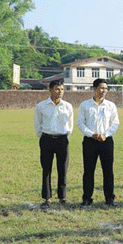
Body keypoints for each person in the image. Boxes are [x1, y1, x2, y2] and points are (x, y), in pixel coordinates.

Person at [77, 78, 120, 207]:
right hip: (90, 141)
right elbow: (80, 123)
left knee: (108, 171)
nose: (103, 91)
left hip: (106, 141)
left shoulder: (110, 105)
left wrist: (105, 135)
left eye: (106, 89)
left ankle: (109, 198)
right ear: (94, 89)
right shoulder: (85, 105)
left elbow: (115, 123)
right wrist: (92, 134)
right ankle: (87, 198)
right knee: (88, 171)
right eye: (101, 88)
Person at [34, 79, 74, 209]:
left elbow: (70, 125)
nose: (60, 92)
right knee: (46, 169)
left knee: (63, 169)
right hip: (46, 139)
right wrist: (44, 136)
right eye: (57, 89)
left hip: (62, 140)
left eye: (62, 89)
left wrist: (63, 136)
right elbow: (37, 125)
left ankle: (62, 197)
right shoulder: (41, 106)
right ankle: (47, 197)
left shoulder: (67, 106)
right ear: (50, 90)